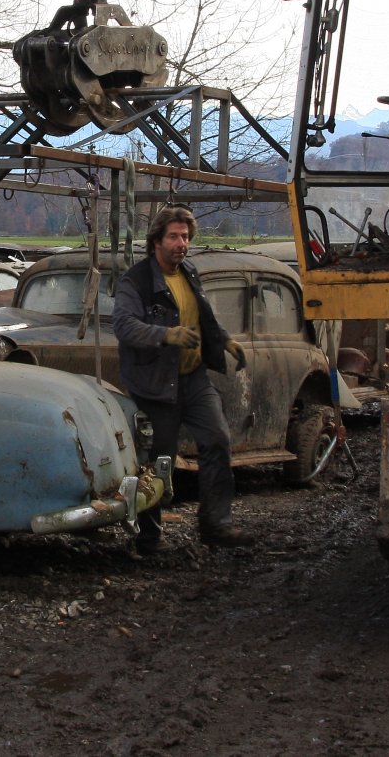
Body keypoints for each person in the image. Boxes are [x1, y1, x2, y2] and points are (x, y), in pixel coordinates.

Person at [113, 205, 251, 553]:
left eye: (186, 237)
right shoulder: (136, 281)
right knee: (158, 460)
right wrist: (165, 335)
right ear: (156, 241)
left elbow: (201, 315)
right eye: (174, 236)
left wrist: (224, 340)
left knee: (217, 440)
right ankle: (148, 538)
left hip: (193, 378)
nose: (181, 243)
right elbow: (124, 326)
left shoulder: (189, 272)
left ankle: (216, 525)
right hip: (155, 384)